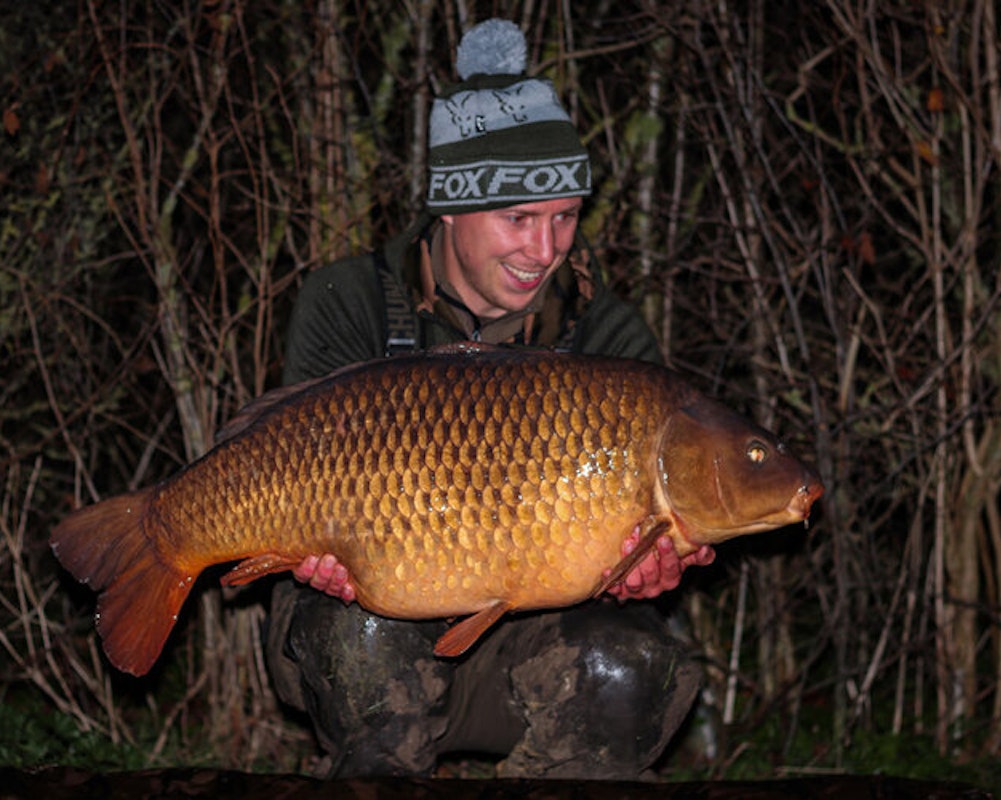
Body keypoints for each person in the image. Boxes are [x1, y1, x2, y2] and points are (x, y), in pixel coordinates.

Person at [263, 19, 714, 780]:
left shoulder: (606, 335)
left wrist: (654, 567)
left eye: (565, 217)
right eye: (519, 219)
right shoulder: (348, 302)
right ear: (450, 208)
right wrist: (313, 551)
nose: (546, 251)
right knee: (358, 643)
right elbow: (288, 470)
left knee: (629, 667)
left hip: (530, 643)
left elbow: (642, 551)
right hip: (369, 621)